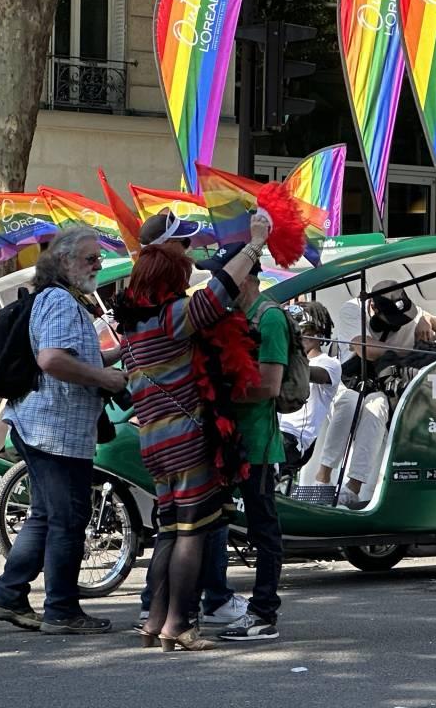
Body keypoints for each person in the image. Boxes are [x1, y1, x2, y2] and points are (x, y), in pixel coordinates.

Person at [119, 213, 270, 652]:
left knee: (170, 530)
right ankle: (181, 625)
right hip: (186, 439)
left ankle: (158, 623)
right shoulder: (170, 318)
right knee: (193, 532)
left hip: (154, 441)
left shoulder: (133, 325)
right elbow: (219, 292)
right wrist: (255, 243)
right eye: (182, 257)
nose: (188, 262)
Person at [0, 227, 127, 635]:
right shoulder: (61, 301)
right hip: (54, 430)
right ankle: (62, 609)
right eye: (90, 258)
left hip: (41, 425)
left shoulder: (59, 300)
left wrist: (115, 354)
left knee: (46, 515)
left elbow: (68, 353)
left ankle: (9, 594)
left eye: (98, 258)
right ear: (64, 262)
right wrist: (106, 378)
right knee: (67, 518)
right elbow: (51, 360)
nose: (98, 265)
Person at [191, 242, 290, 642]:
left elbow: (269, 386)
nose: (219, 280)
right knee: (211, 521)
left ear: (246, 276)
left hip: (259, 444)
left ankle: (264, 613)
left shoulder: (269, 318)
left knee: (264, 529)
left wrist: (214, 393)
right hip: (226, 441)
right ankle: (215, 599)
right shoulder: (232, 315)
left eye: (225, 272)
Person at [318, 281, 436, 507]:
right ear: (373, 307)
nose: (399, 324)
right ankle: (323, 478)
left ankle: (353, 488)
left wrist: (428, 320)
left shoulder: (410, 311)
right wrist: (410, 352)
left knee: (377, 406)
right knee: (350, 402)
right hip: (350, 380)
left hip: (381, 386)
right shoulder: (352, 309)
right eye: (391, 320)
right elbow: (366, 349)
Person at [278, 301, 340, 464]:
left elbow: (311, 374)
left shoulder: (329, 364)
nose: (295, 336)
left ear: (318, 334)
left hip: (294, 442)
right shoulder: (284, 360)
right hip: (272, 432)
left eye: (301, 330)